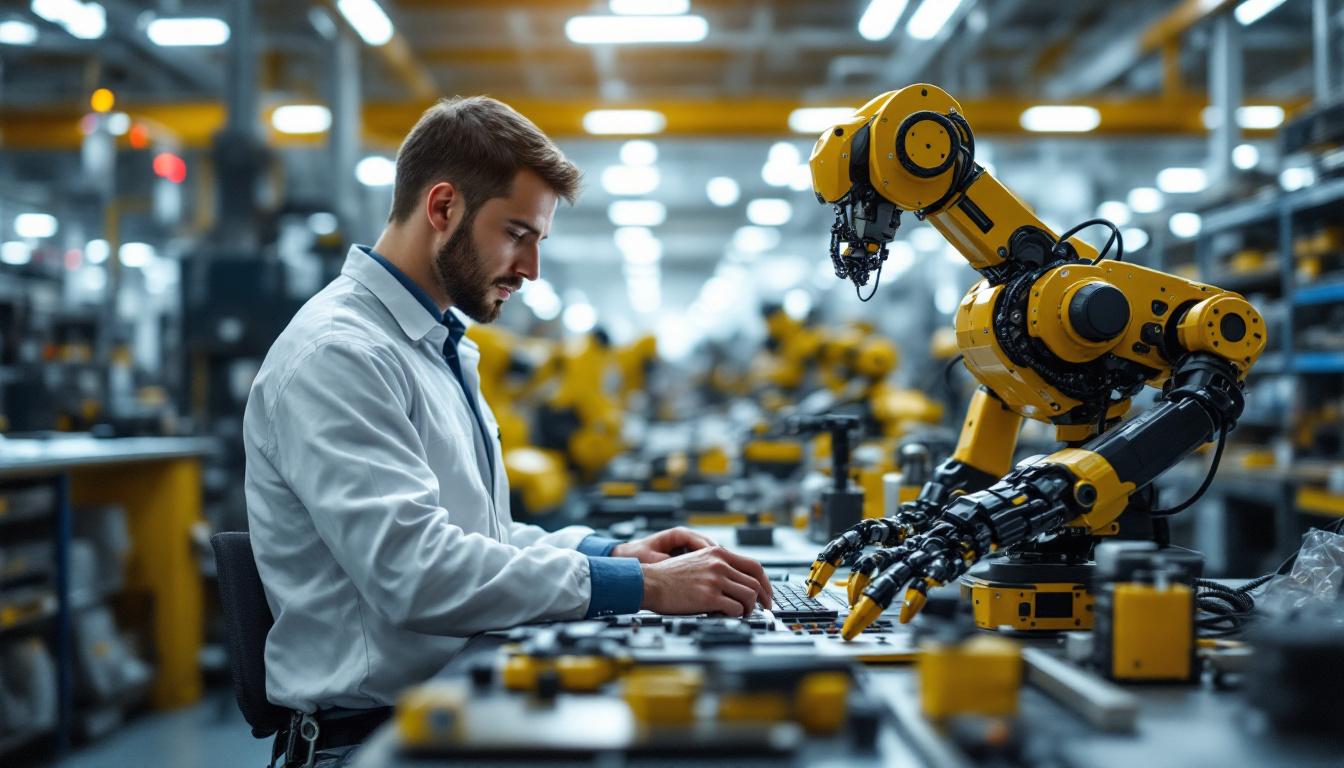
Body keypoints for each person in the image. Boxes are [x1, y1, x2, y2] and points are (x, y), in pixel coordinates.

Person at [242, 96, 772, 766]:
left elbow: (478, 539)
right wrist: (642, 588)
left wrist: (618, 554)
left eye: (538, 241)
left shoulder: (433, 345)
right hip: (372, 741)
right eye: (517, 234)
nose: (530, 268)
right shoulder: (341, 354)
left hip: (451, 704)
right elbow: (418, 573)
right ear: (443, 208)